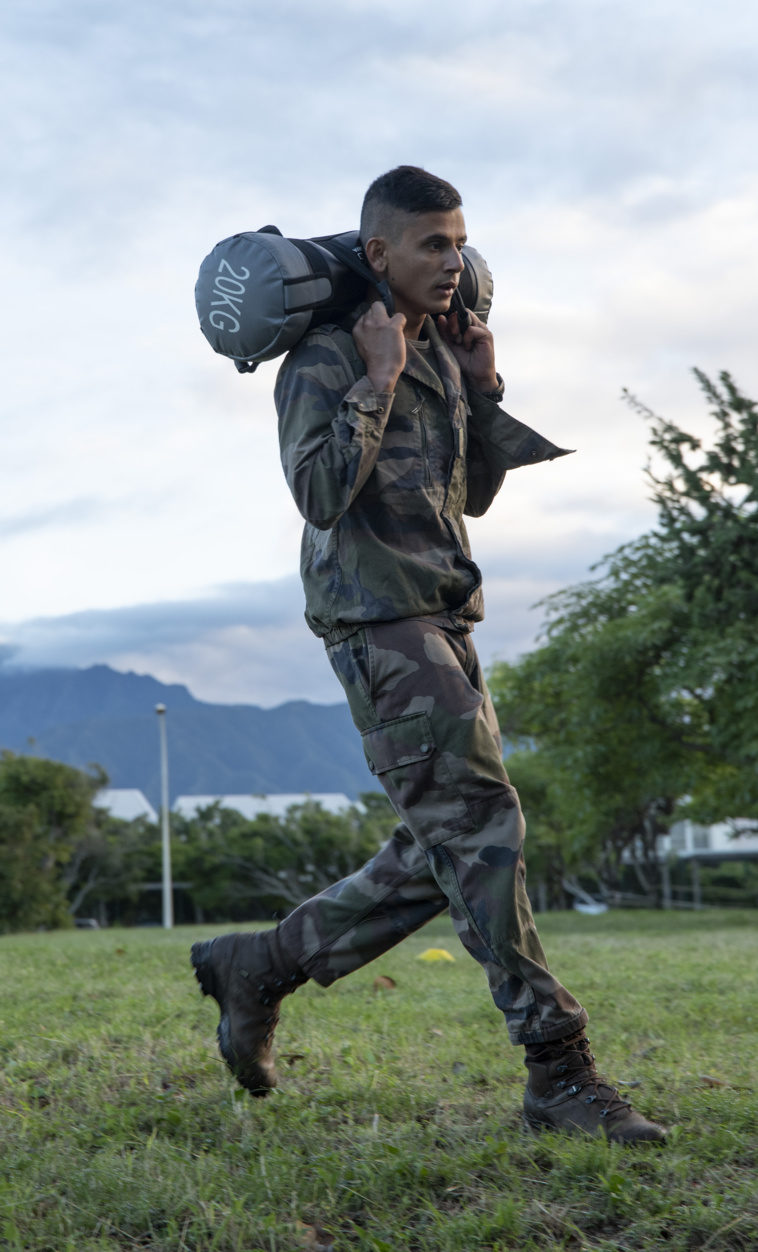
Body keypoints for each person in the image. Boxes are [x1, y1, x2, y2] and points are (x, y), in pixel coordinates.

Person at [191, 166, 666, 1144]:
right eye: (431, 244)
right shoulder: (326, 355)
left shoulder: (445, 350)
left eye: (459, 241)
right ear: (379, 254)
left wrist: (484, 383)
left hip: (446, 615)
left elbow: (472, 498)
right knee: (484, 825)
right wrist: (372, 376)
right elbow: (321, 494)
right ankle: (559, 1070)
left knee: (440, 847)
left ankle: (261, 966)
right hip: (377, 620)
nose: (454, 262)